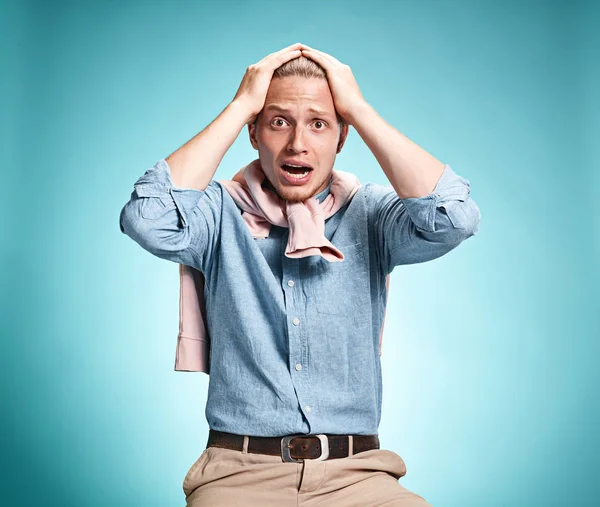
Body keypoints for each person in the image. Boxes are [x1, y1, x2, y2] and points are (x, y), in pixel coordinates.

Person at [119, 42, 480, 506]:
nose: (298, 143)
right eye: (278, 121)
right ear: (254, 133)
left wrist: (359, 110)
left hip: (358, 477)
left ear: (341, 137)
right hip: (237, 477)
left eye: (318, 123)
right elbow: (147, 219)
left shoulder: (372, 215)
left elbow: (456, 218)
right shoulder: (215, 214)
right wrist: (240, 106)